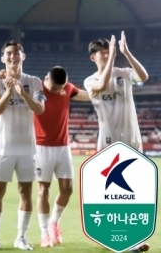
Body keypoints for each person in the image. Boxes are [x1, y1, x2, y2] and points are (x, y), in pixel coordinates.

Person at [84, 33, 150, 253]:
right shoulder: (90, 81)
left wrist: (126, 53)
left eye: (107, 51)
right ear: (93, 58)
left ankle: (134, 238)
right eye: (101, 53)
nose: (105, 54)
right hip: (109, 145)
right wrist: (112, 55)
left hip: (132, 140)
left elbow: (144, 76)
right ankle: (117, 238)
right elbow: (102, 86)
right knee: (114, 193)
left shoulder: (124, 74)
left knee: (135, 193)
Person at [0, 41, 45, 251]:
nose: (12, 57)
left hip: (27, 148)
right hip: (2, 147)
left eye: (16, 53)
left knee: (25, 192)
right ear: (2, 58)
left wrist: (22, 93)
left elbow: (40, 109)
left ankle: (21, 237)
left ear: (23, 56)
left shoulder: (34, 82)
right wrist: (8, 91)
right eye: (8, 54)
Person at [26, 66, 89, 247]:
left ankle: (54, 222)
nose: (55, 91)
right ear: (46, 78)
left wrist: (101, 89)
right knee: (43, 190)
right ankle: (44, 232)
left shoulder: (67, 88)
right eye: (53, 88)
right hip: (41, 147)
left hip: (63, 147)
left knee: (67, 189)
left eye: (59, 88)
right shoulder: (37, 87)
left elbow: (89, 95)